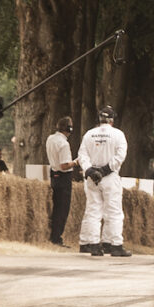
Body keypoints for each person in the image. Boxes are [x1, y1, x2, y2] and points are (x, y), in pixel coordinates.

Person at [77, 105, 131, 256]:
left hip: (92, 177)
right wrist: (105, 170)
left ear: (99, 119)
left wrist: (90, 170)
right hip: (109, 177)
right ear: (112, 120)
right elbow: (120, 156)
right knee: (114, 211)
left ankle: (93, 244)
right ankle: (115, 245)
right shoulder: (118, 134)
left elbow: (82, 155)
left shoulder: (89, 134)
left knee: (93, 210)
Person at [46, 116, 77, 247]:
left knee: (56, 206)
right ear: (69, 129)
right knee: (62, 208)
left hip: (53, 174)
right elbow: (65, 165)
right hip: (63, 177)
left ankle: (54, 235)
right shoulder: (64, 144)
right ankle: (56, 237)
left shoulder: (50, 138)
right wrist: (76, 162)